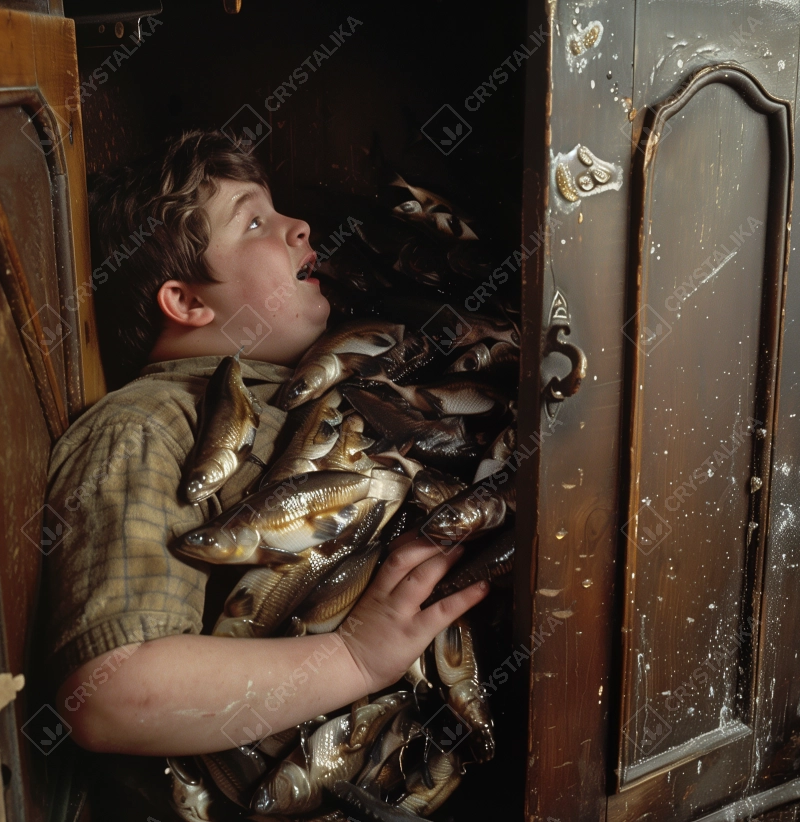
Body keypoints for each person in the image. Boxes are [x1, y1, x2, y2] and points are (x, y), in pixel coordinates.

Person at [35, 129, 488, 818]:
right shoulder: (149, 423)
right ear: (186, 302)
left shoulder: (325, 387)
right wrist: (356, 661)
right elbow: (112, 694)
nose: (298, 226)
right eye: (253, 220)